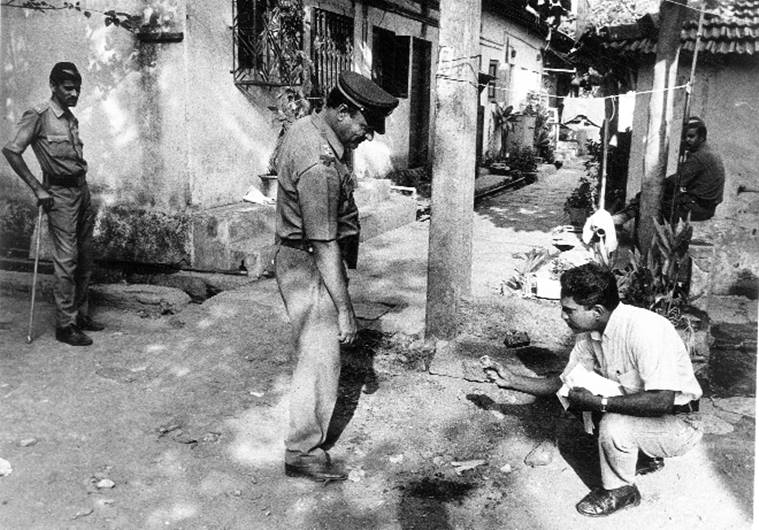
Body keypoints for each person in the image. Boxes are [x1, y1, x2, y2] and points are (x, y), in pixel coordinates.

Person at [481, 263, 703, 517]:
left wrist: (601, 403)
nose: (563, 316)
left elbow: (663, 402)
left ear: (597, 310)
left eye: (569, 311)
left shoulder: (646, 330)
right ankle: (644, 457)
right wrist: (512, 380)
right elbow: (565, 383)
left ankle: (621, 491)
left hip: (679, 424)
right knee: (579, 392)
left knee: (613, 424)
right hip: (647, 417)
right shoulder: (589, 333)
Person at [274, 71, 398, 482]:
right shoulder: (320, 163)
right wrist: (346, 311)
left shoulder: (311, 129)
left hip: (302, 257)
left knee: (315, 352)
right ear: (344, 111)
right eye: (364, 126)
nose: (368, 136)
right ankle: (302, 451)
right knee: (319, 357)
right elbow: (323, 242)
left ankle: (304, 443)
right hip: (309, 262)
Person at [3, 62, 104, 346]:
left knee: (85, 257)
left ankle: (79, 315)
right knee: (67, 259)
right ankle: (65, 325)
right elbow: (11, 150)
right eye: (68, 88)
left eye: (77, 89)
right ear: (53, 86)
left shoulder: (70, 119)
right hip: (58, 195)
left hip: (81, 191)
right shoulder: (38, 116)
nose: (74, 93)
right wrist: (37, 188)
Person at [613, 117, 725, 225]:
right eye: (685, 137)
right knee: (659, 198)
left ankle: (628, 220)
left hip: (699, 208)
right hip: (705, 206)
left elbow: (675, 182)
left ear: (702, 137)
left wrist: (649, 191)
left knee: (652, 203)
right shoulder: (708, 152)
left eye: (691, 136)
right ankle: (627, 216)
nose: (687, 140)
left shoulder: (700, 157)